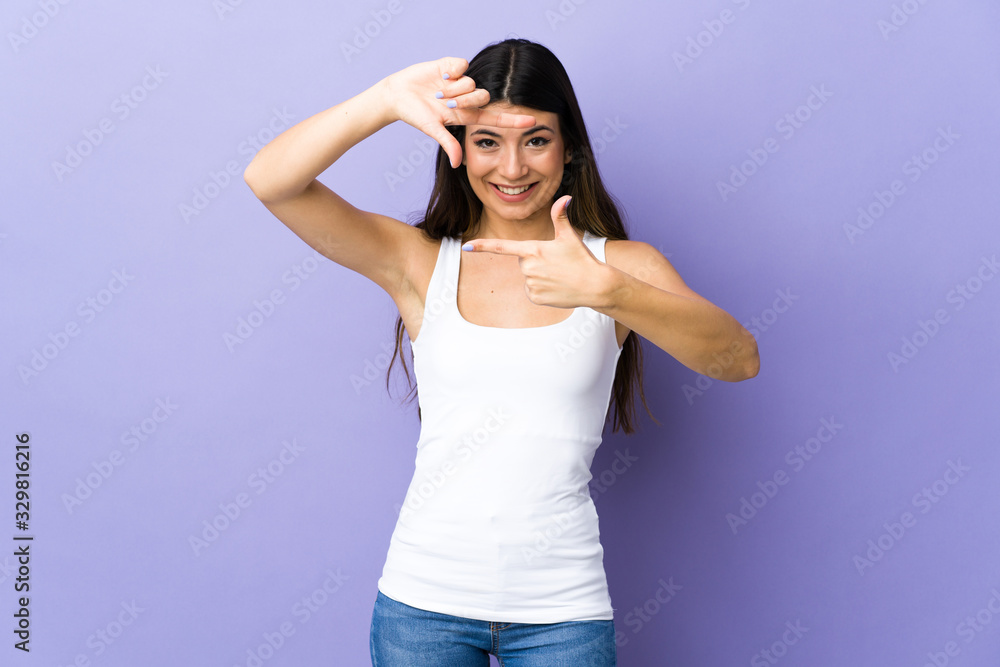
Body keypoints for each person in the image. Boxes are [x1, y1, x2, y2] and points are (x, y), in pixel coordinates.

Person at [244, 37, 759, 667]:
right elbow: (272, 182)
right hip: (421, 607)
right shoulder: (419, 262)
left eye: (536, 139)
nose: (512, 168)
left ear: (568, 149)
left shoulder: (619, 267)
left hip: (561, 614)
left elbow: (738, 360)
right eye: (487, 141)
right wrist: (385, 99)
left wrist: (609, 291)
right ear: (458, 147)